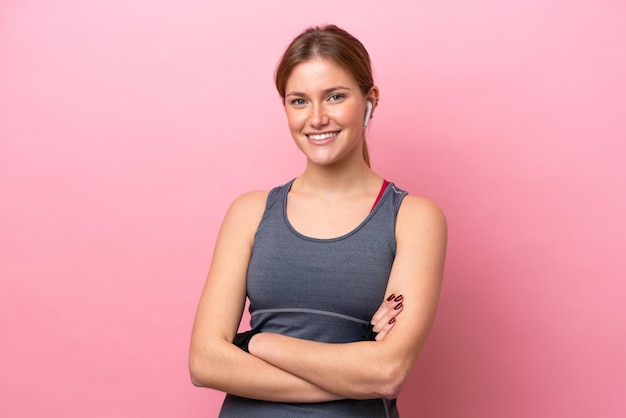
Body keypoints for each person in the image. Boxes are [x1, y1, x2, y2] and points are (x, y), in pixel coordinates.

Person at [189, 24, 447, 417]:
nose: (317, 118)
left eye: (335, 96)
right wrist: (351, 374)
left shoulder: (413, 219)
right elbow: (205, 362)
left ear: (370, 101)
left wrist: (257, 343)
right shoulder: (250, 212)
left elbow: (387, 372)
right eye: (299, 101)